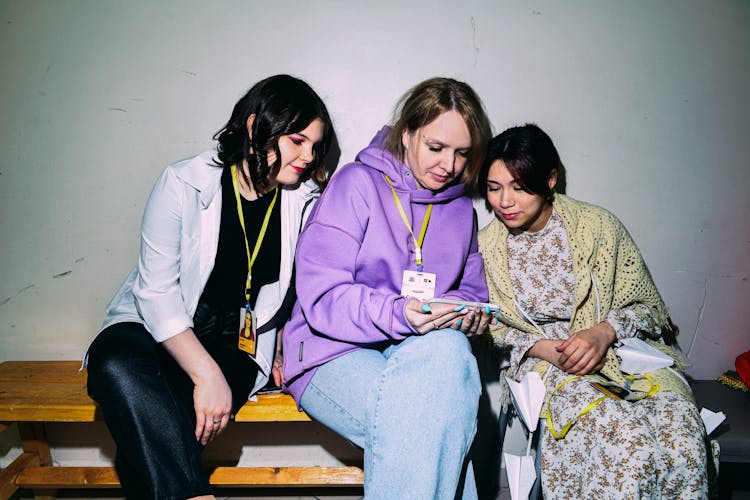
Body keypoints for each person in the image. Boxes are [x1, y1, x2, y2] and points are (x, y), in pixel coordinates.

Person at [85, 74, 334, 500]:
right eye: (297, 141)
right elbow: (156, 294)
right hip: (156, 325)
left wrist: (282, 346)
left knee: (166, 424)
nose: (309, 156)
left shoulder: (307, 200)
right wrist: (206, 375)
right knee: (112, 364)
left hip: (235, 341)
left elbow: (307, 286)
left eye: (315, 145)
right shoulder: (182, 183)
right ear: (256, 128)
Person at [280, 77, 493, 499]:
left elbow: (472, 293)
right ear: (408, 133)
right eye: (436, 148)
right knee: (436, 421)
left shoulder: (460, 211)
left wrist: (467, 315)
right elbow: (322, 297)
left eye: (462, 153)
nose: (449, 166)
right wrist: (400, 313)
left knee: (448, 355)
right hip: (331, 351)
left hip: (420, 354)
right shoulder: (356, 183)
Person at [477, 124, 709, 498]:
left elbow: (649, 309)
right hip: (552, 367)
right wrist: (539, 348)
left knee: (682, 438)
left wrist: (604, 332)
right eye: (494, 187)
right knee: (627, 445)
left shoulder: (598, 226)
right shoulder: (486, 248)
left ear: (550, 179)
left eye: (519, 187)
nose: (504, 201)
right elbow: (489, 329)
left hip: (629, 359)